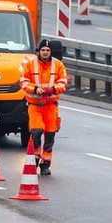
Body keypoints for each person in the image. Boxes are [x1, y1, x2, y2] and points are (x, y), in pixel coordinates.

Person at [20, 39, 69, 175]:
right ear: (39, 51)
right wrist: (35, 89)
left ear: (51, 52)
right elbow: (23, 82)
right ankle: (35, 159)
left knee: (50, 135)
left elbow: (63, 82)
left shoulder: (58, 65)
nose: (45, 52)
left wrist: (53, 90)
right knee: (36, 132)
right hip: (35, 105)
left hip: (50, 105)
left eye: (47, 50)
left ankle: (45, 164)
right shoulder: (30, 64)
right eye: (43, 50)